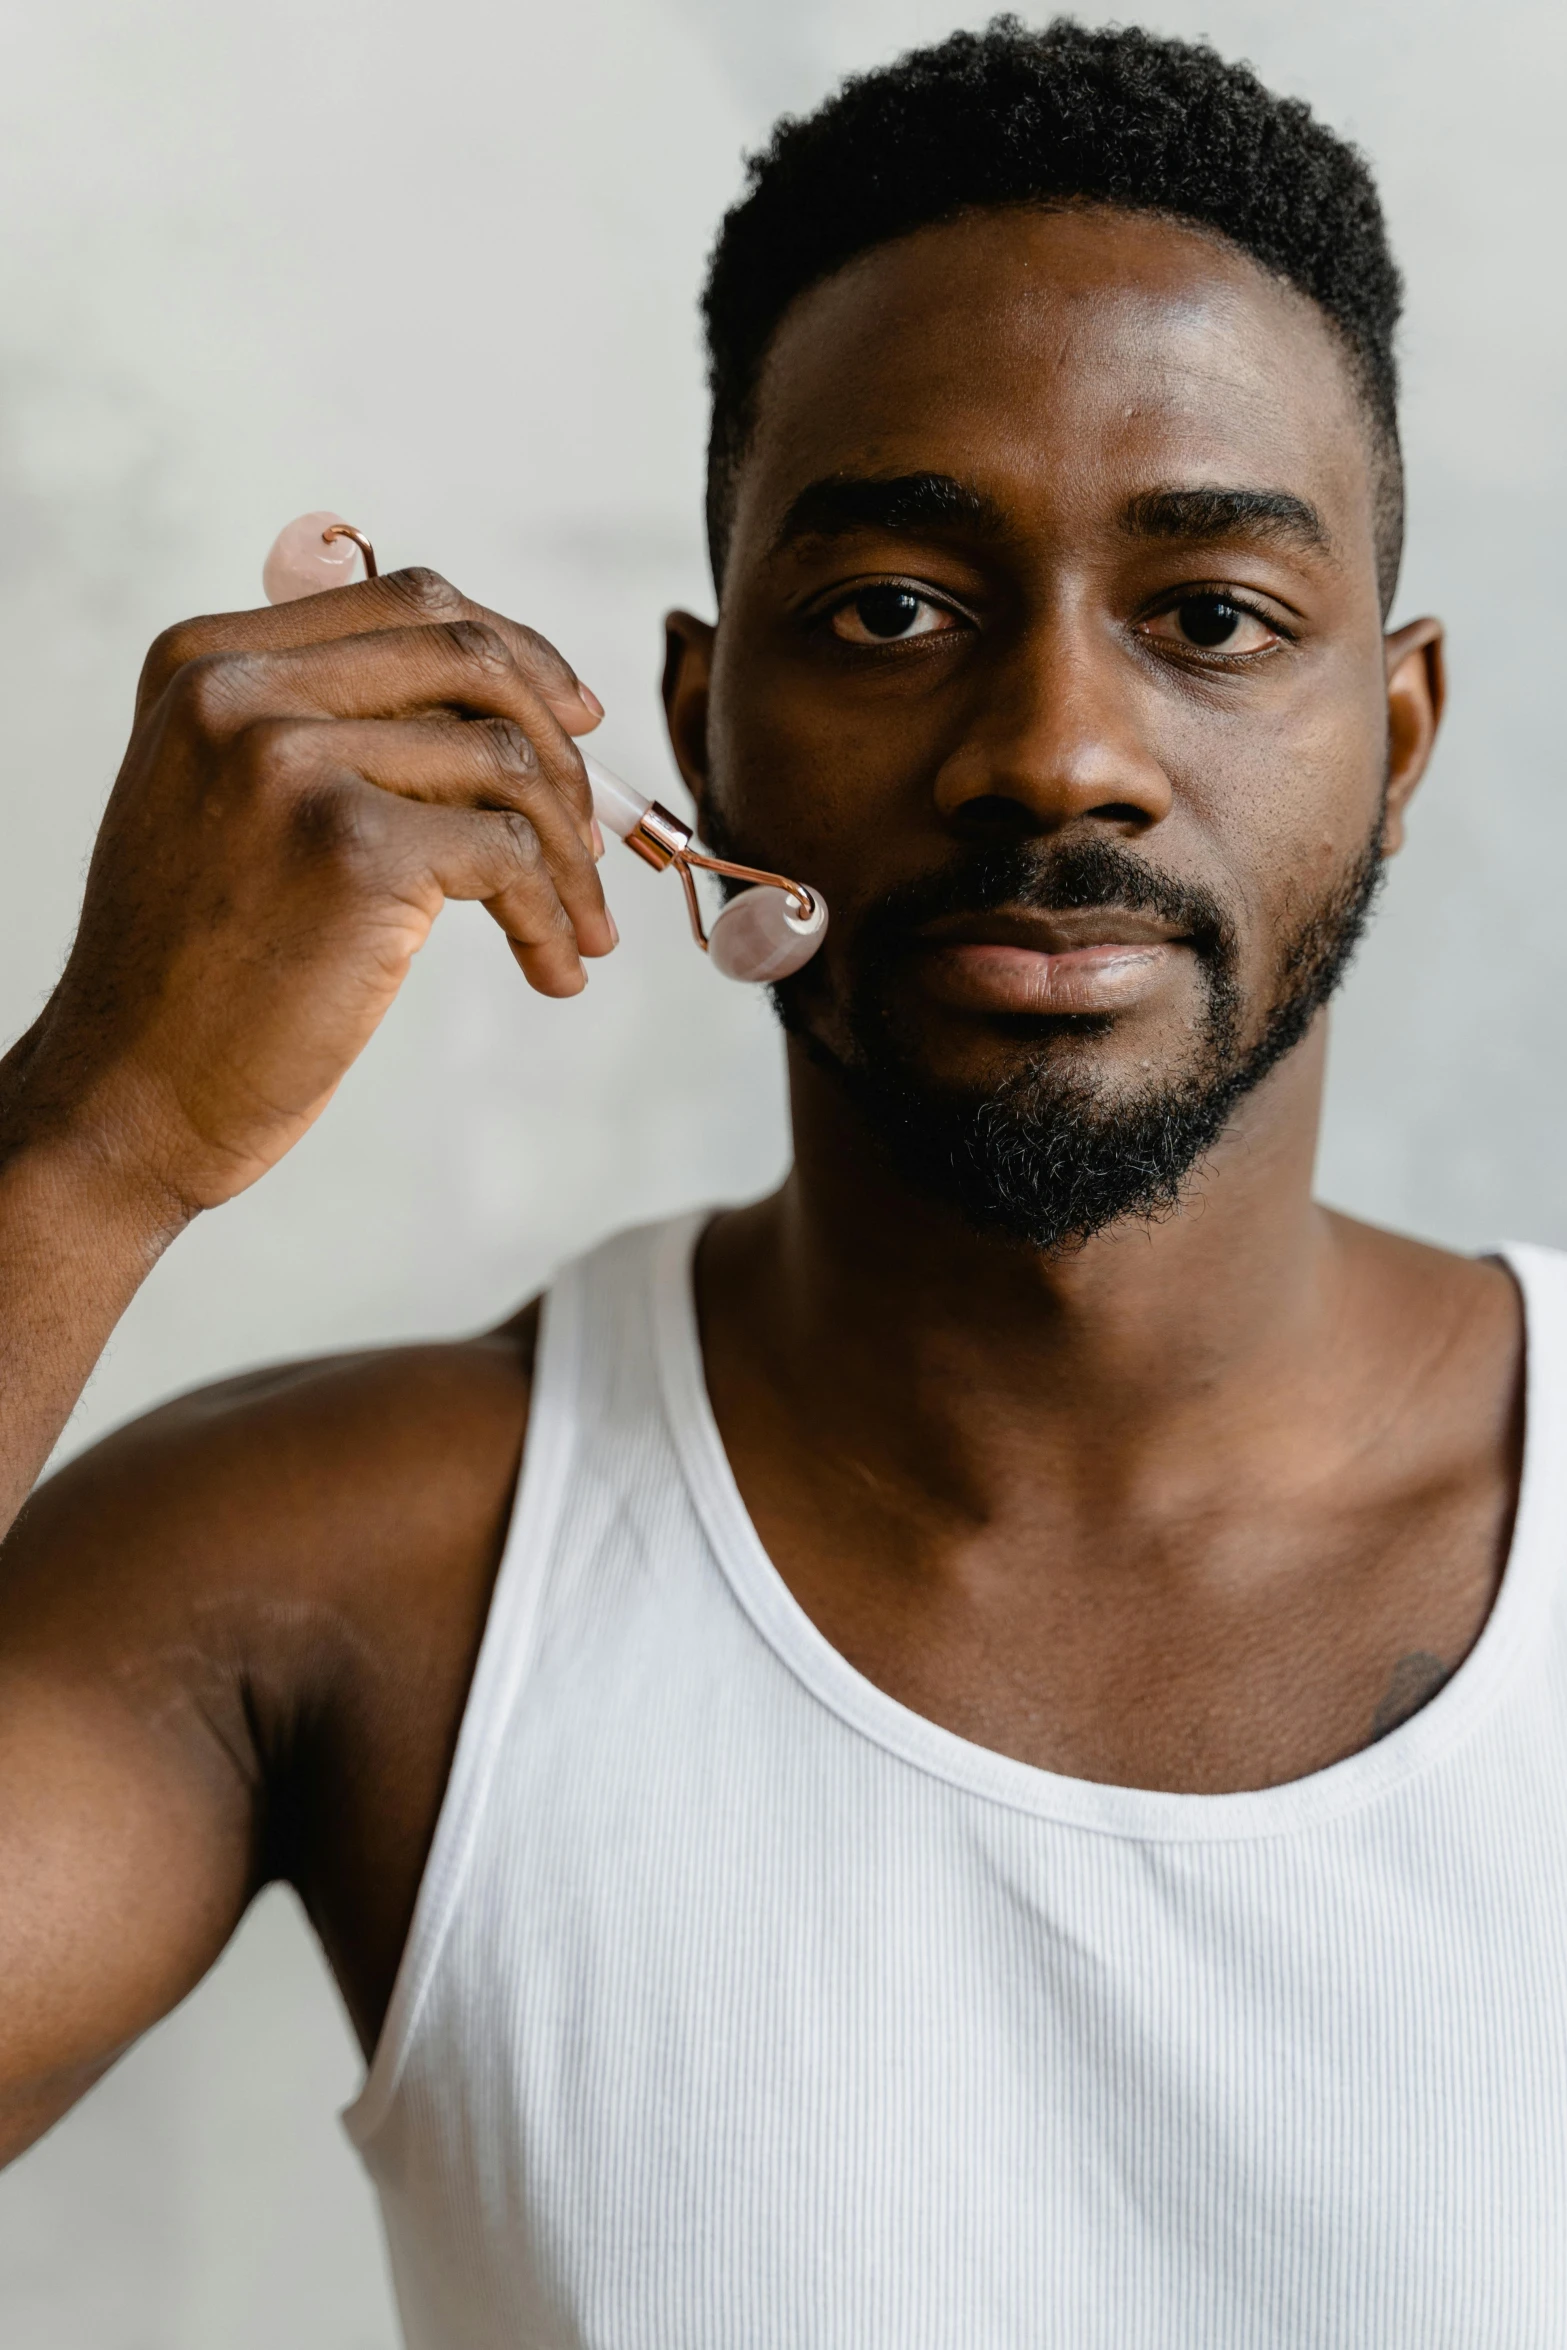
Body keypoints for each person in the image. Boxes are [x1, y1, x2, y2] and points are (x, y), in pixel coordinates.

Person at [0, 14, 1557, 2342]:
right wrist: (97, 1135)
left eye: (1210, 615)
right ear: (703, 724)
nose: (1055, 747)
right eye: (893, 612)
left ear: (1399, 730)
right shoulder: (348, 1571)